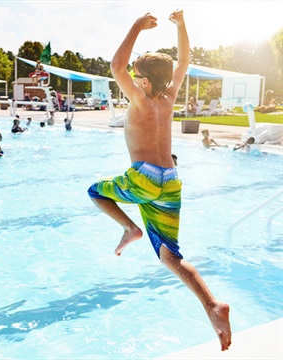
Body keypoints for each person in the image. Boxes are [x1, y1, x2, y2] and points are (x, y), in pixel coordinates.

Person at [87, 10, 231, 351]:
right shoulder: (168, 98)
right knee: (170, 255)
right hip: (171, 179)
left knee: (96, 191)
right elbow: (183, 62)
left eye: (137, 76)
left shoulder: (140, 99)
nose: (132, 80)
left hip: (145, 178)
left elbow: (116, 66)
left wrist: (136, 26)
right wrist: (182, 25)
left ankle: (129, 229)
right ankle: (213, 305)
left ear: (146, 83)